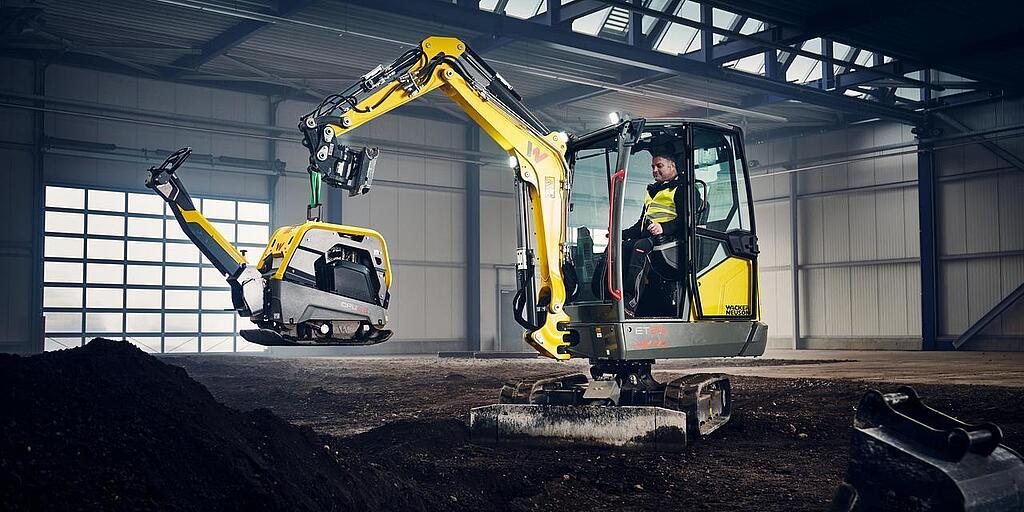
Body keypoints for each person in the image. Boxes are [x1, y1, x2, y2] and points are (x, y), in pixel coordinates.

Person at [621, 153, 686, 317]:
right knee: (622, 247)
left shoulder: (683, 189)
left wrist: (663, 228)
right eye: (652, 167)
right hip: (652, 237)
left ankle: (630, 303)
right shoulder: (653, 191)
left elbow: (686, 221)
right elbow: (641, 224)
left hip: (672, 240)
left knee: (640, 247)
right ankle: (614, 297)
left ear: (672, 166)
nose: (655, 170)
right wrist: (619, 234)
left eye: (659, 166)